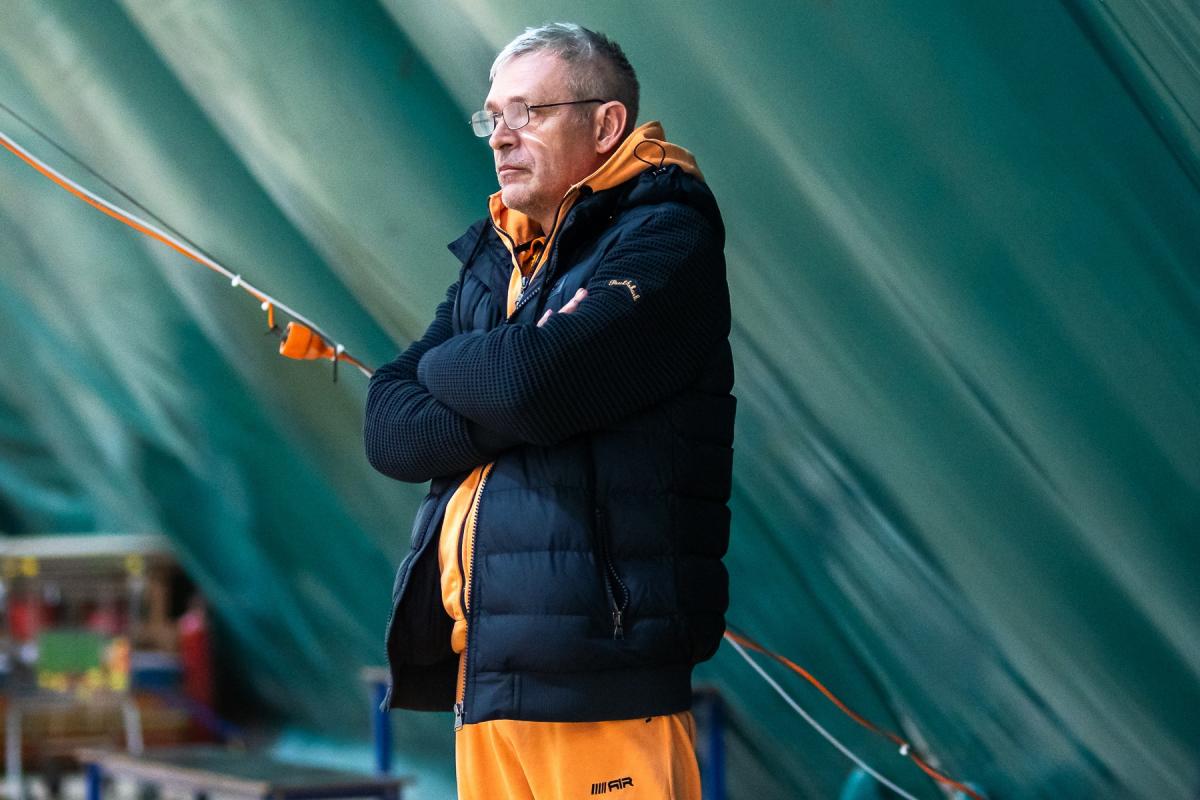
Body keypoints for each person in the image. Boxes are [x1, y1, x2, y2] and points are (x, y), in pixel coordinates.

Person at [364, 22, 735, 800]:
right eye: (493, 117)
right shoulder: (501, 261)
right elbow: (389, 430)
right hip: (486, 683)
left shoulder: (665, 238)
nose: (502, 137)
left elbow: (527, 385)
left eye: (528, 112)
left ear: (606, 125)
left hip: (603, 688)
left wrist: (457, 367)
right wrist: (506, 375)